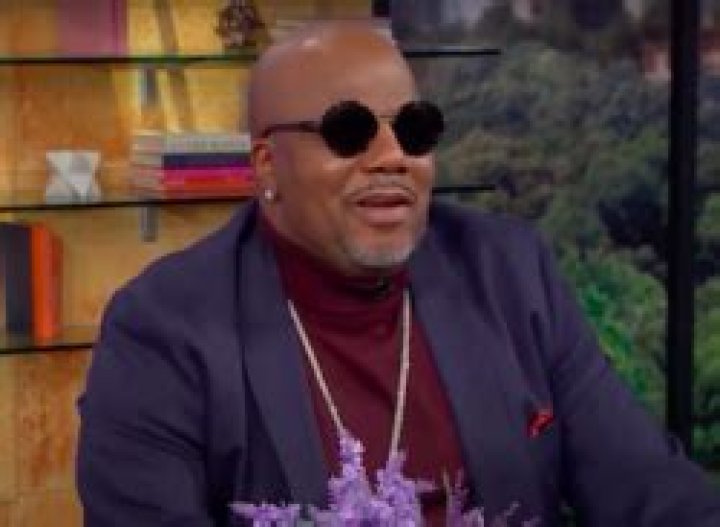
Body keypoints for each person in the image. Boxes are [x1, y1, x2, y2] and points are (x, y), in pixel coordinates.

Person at [76, 21, 720, 526]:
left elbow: (649, 489)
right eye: (349, 131)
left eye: (413, 130)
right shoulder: (162, 330)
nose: (393, 157)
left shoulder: (511, 272)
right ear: (268, 166)